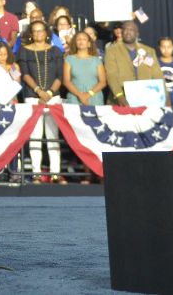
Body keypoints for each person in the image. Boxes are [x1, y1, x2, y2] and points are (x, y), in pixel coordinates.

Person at [17, 20, 65, 184]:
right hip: (32, 96)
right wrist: (39, 91)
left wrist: (50, 93)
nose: (38, 34)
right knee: (35, 135)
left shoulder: (56, 51)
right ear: (31, 33)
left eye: (41, 31)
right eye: (35, 31)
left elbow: (60, 75)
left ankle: (55, 173)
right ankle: (36, 173)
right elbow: (25, 74)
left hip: (54, 97)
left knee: (53, 135)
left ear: (46, 33)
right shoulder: (24, 51)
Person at [104, 20, 167, 107]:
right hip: (121, 100)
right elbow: (111, 75)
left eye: (131, 29)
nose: (128, 32)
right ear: (121, 32)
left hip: (147, 99)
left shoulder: (148, 51)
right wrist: (119, 95)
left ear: (137, 34)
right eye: (125, 29)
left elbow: (157, 75)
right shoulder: (112, 51)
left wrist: (166, 98)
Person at [62, 31, 107, 106]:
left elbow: (102, 82)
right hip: (75, 97)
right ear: (75, 43)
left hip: (94, 97)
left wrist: (88, 95)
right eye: (78, 39)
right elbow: (66, 81)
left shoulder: (96, 60)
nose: (81, 41)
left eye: (84, 39)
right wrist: (80, 95)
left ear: (89, 44)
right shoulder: (69, 59)